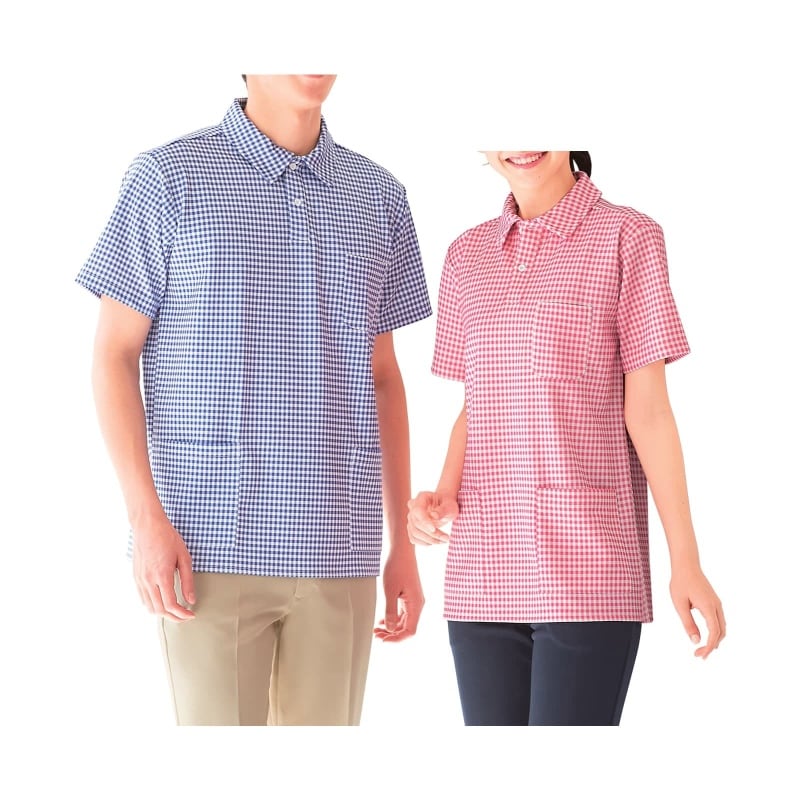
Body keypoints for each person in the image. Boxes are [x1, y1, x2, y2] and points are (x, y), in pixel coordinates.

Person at [76, 75, 432, 726]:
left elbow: (383, 375)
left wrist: (400, 544)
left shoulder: (379, 194)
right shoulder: (168, 178)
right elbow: (114, 355)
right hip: (206, 543)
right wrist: (145, 518)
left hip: (339, 544)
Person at [407, 151, 726, 726]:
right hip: (482, 570)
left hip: (588, 566)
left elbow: (649, 412)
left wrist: (686, 560)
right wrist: (443, 491)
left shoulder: (627, 236)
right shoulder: (466, 255)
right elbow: (477, 402)